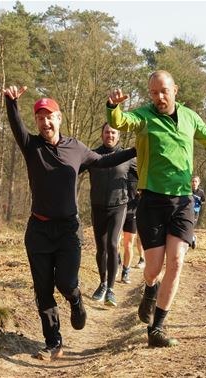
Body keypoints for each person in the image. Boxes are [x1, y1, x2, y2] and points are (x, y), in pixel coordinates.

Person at [106, 70, 206, 347]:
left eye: (164, 91)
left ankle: (156, 329)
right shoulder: (145, 117)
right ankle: (149, 288)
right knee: (153, 268)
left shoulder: (190, 117)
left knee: (178, 261)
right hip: (152, 200)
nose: (159, 97)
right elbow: (121, 121)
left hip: (182, 201)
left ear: (175, 90)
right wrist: (113, 107)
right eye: (154, 92)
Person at [2, 86, 136, 361]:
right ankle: (54, 343)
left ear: (59, 118)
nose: (45, 122)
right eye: (40, 118)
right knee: (42, 290)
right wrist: (11, 103)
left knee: (65, 282)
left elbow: (104, 160)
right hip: (38, 229)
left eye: (49, 116)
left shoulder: (76, 148)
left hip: (68, 230)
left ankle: (76, 300)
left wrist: (136, 149)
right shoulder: (32, 147)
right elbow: (17, 127)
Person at [85, 123, 136, 306]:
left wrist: (137, 195)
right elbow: (74, 170)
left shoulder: (128, 157)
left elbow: (141, 176)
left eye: (113, 132)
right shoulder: (92, 155)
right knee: (101, 248)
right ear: (102, 134)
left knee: (113, 244)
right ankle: (102, 283)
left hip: (119, 206)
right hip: (97, 206)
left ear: (118, 135)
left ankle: (111, 290)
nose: (110, 135)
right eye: (107, 132)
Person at [120, 161, 141, 283]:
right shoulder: (118, 170)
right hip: (118, 212)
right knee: (115, 243)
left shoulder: (138, 173)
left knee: (128, 244)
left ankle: (126, 271)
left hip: (132, 212)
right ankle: (117, 260)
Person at [190, 175, 206, 249]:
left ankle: (193, 239)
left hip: (196, 212)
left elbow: (204, 201)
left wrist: (200, 202)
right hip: (187, 211)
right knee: (187, 227)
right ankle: (192, 239)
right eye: (192, 181)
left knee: (191, 227)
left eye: (195, 181)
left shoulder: (201, 192)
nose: (194, 183)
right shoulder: (187, 191)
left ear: (198, 183)